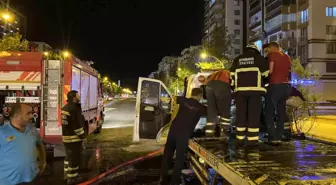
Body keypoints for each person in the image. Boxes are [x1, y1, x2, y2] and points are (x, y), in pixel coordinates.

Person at [160, 88, 206, 185]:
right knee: (179, 158)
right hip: (184, 133)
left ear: (192, 94)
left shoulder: (183, 100)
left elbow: (171, 98)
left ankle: (163, 177)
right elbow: (214, 113)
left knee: (168, 153)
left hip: (173, 130)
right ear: (200, 95)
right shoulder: (201, 107)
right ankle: (174, 182)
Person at [230, 43, 269, 147]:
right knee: (253, 115)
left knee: (240, 115)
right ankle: (252, 140)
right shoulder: (259, 59)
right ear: (256, 50)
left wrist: (234, 88)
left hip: (240, 92)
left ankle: (240, 139)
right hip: (255, 91)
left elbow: (232, 75)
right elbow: (266, 73)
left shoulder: (237, 59)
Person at [0, 103, 46, 185]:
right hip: (8, 181)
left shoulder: (32, 129)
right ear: (17, 116)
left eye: (31, 113)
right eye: (28, 113)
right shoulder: (2, 132)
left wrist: (43, 161)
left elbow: (39, 145)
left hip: (31, 178)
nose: (32, 116)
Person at [265, 42, 291, 145]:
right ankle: (279, 137)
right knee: (281, 112)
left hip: (275, 86)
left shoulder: (272, 55)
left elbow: (270, 70)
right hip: (285, 87)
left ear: (272, 48)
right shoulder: (287, 56)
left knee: (269, 112)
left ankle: (272, 138)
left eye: (268, 50)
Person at [61, 90, 86, 185]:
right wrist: (82, 135)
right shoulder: (74, 109)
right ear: (74, 97)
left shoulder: (65, 108)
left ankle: (66, 175)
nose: (79, 97)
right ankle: (72, 179)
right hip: (74, 139)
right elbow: (77, 124)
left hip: (66, 138)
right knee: (74, 159)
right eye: (78, 95)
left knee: (68, 157)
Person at [204, 69, 232, 137]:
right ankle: (224, 131)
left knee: (211, 111)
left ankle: (209, 133)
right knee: (225, 110)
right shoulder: (229, 73)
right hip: (222, 85)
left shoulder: (215, 73)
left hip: (209, 86)